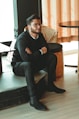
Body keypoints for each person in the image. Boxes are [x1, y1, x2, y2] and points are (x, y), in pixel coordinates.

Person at [11, 14, 66, 111]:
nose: (39, 27)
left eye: (39, 24)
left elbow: (47, 49)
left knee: (52, 57)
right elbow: (26, 59)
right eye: (35, 25)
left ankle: (50, 85)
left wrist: (33, 54)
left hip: (34, 62)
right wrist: (40, 51)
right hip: (19, 65)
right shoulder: (22, 39)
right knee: (27, 64)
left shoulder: (39, 35)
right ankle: (33, 99)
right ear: (28, 27)